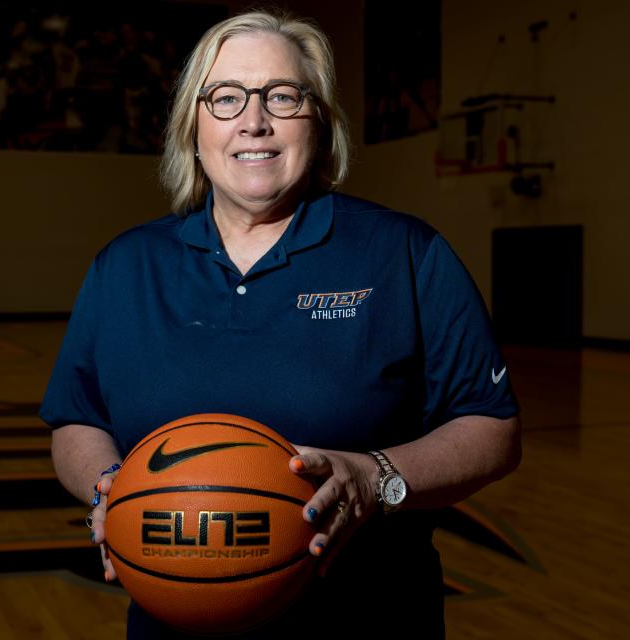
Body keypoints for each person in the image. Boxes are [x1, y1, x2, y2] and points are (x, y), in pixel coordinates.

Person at [41, 9, 521, 638]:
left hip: (370, 618)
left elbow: (493, 429)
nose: (254, 120)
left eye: (283, 96)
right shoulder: (125, 266)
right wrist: (109, 489)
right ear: (193, 125)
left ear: (318, 122)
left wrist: (374, 478)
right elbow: (78, 419)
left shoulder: (404, 253)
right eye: (227, 97)